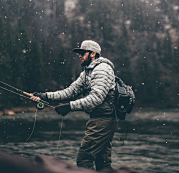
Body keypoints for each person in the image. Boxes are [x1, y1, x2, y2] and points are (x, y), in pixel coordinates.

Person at [30, 40, 118, 171]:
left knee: (84, 159)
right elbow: (70, 92)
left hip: (104, 120)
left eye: (82, 53)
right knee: (103, 163)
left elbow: (96, 98)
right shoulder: (87, 72)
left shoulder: (102, 69)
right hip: (99, 119)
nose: (79, 56)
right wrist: (44, 96)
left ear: (93, 53)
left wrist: (69, 107)